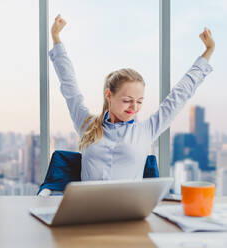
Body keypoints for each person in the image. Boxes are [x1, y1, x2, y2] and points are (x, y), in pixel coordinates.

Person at [49, 15, 215, 181]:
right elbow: (69, 86)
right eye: (127, 100)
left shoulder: (146, 130)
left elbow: (179, 96)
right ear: (109, 95)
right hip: (88, 206)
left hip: (129, 207)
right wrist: (56, 39)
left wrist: (207, 53)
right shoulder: (87, 124)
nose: (134, 107)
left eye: (139, 101)